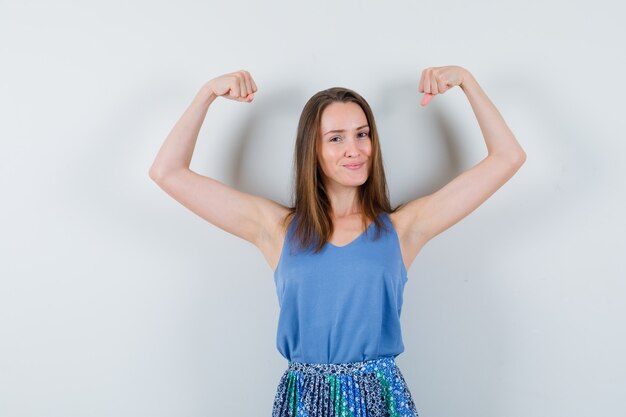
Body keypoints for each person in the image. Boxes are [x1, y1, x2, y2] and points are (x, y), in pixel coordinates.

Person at [148, 66, 526, 417]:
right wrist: (206, 94)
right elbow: (167, 172)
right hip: (303, 399)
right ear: (312, 149)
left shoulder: (404, 228)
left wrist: (466, 81)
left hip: (380, 397)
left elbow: (508, 157)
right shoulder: (277, 228)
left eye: (362, 134)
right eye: (336, 138)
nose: (354, 149)